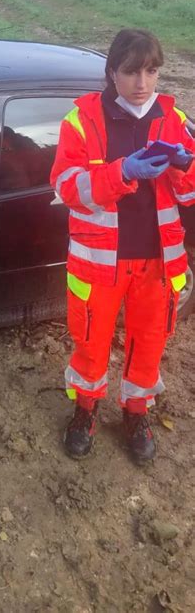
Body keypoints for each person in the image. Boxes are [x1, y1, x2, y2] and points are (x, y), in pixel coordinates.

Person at [50, 28, 195, 464]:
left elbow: (189, 198)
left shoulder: (175, 120)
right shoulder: (81, 120)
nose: (143, 83)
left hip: (157, 261)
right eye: (132, 72)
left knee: (149, 344)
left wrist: (183, 169)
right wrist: (123, 172)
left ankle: (135, 413)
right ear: (112, 72)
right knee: (91, 344)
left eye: (151, 71)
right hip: (99, 264)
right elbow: (66, 186)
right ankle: (85, 411)